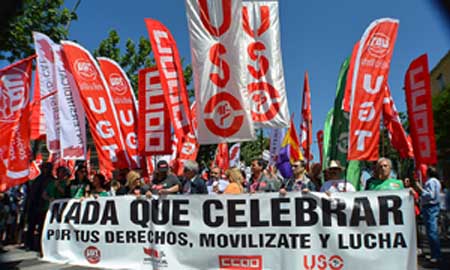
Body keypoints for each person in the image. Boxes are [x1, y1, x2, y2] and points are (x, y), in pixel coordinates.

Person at [413, 166, 442, 266]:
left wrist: (420, 189)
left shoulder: (431, 182)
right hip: (432, 206)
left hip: (430, 207)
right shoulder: (436, 181)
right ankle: (435, 254)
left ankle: (436, 256)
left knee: (432, 232)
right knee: (431, 231)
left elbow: (431, 195)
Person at [25, 162, 54, 251]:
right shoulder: (37, 179)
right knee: (32, 226)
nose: (45, 170)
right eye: (44, 168)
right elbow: (32, 193)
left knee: (42, 227)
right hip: (34, 206)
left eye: (46, 168)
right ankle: (30, 244)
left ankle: (40, 244)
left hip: (43, 207)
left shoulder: (51, 180)